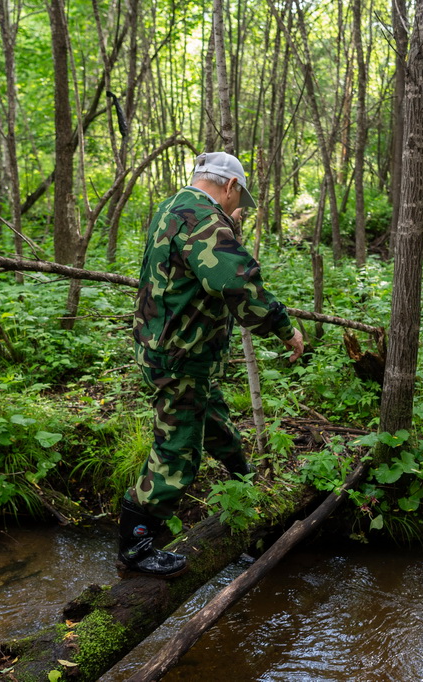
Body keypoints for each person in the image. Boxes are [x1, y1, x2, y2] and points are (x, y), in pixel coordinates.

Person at [119, 151, 305, 577]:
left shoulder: (174, 207)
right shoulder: (205, 220)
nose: (235, 207)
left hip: (174, 347)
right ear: (231, 185)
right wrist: (285, 329)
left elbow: (199, 266)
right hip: (180, 355)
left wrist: (229, 230)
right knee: (177, 452)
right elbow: (237, 284)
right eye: (237, 199)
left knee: (217, 424)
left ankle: (247, 488)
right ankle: (135, 545)